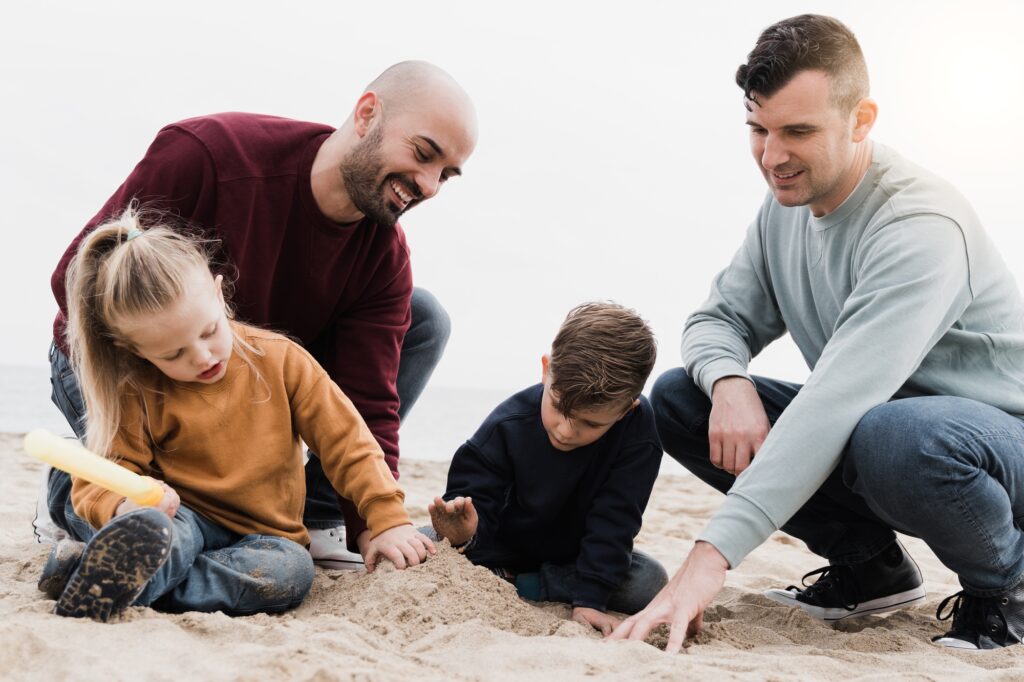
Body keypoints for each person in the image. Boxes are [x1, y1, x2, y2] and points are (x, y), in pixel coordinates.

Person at [610, 14, 1024, 652]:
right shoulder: (787, 207)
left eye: (797, 132)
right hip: (881, 432)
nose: (772, 158)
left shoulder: (920, 225)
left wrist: (711, 557)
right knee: (682, 399)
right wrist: (728, 380)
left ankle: (1006, 588)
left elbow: (836, 400)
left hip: (996, 445)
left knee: (890, 433)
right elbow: (715, 320)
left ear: (861, 120)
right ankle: (870, 569)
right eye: (758, 130)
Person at [39, 60, 478, 570]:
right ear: (366, 114)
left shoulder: (383, 256)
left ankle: (318, 516)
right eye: (424, 154)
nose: (429, 185)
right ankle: (72, 491)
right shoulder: (210, 156)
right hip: (129, 372)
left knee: (422, 316)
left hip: (245, 385)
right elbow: (75, 285)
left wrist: (373, 525)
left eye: (446, 174)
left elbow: (367, 406)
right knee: (179, 509)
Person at [40, 208, 435, 622]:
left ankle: (88, 576)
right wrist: (124, 505)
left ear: (218, 292)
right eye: (173, 354)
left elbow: (348, 443)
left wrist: (387, 519)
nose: (202, 355)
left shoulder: (281, 361)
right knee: (166, 540)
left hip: (264, 533)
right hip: (180, 515)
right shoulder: (136, 387)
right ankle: (100, 556)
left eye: (209, 331)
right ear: (136, 351)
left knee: (290, 574)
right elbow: (110, 469)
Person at [427, 302, 668, 635]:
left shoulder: (637, 433)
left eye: (590, 423)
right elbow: (469, 501)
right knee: (419, 543)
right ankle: (508, 576)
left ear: (626, 410)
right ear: (545, 369)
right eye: (557, 407)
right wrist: (463, 533)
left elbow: (616, 519)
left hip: (571, 557)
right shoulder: (506, 426)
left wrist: (590, 600)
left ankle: (523, 584)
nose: (566, 431)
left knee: (650, 581)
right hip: (495, 544)